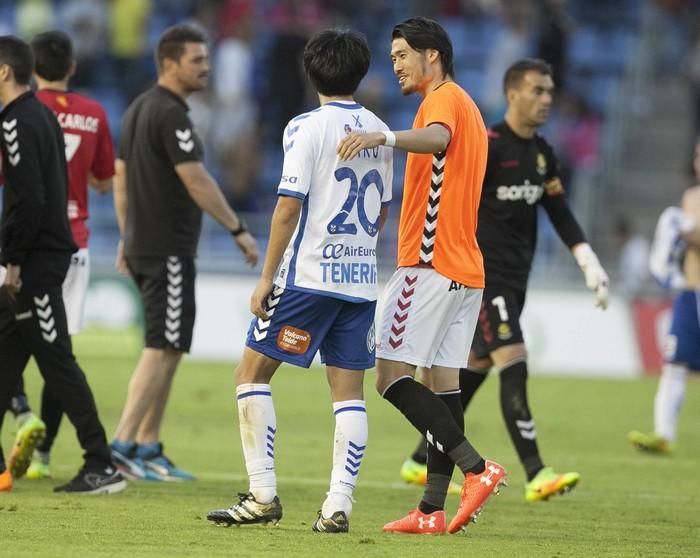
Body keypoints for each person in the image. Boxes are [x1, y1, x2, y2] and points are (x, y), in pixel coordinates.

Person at [206, 28, 393, 534]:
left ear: (309, 73)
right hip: (358, 281)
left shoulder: (305, 127)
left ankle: (263, 495)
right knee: (349, 394)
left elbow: (289, 204)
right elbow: (381, 214)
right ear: (363, 72)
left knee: (250, 375)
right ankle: (337, 507)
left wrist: (267, 276)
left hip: (308, 275)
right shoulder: (379, 128)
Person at [398, 58, 609, 503]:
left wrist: (587, 259)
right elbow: (457, 203)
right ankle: (536, 471)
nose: (546, 99)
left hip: (516, 280)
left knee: (474, 368)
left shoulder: (542, 153)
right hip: (481, 276)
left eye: (550, 91)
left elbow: (558, 211)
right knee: (513, 357)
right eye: (538, 90)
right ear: (512, 93)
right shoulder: (488, 145)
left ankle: (420, 458)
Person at [337, 17, 506, 535]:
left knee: (390, 377)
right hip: (465, 270)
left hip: (429, 265)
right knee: (443, 384)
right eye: (393, 57)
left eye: (403, 54)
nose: (397, 65)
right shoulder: (470, 106)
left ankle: (477, 469)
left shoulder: (443, 101)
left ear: (432, 55)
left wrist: (381, 136)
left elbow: (435, 140)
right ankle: (431, 509)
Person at [111, 24, 258, 482]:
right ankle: (120, 448)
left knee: (170, 346)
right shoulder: (172, 115)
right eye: (197, 60)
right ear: (169, 63)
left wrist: (125, 235)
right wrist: (237, 229)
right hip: (167, 249)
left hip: (147, 245)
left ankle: (146, 446)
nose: (207, 68)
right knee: (159, 348)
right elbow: (196, 180)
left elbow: (120, 178)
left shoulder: (138, 108)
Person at [0, 34, 125, 494]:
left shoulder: (16, 121)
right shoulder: (41, 115)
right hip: (55, 249)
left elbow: (28, 197)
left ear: (4, 72)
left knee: (58, 363)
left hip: (35, 261)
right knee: (4, 358)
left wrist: (12, 258)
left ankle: (100, 463)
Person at [629, 154, 700, 453]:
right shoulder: (691, 196)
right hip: (689, 290)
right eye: (697, 155)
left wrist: (680, 227)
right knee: (674, 364)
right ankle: (663, 435)